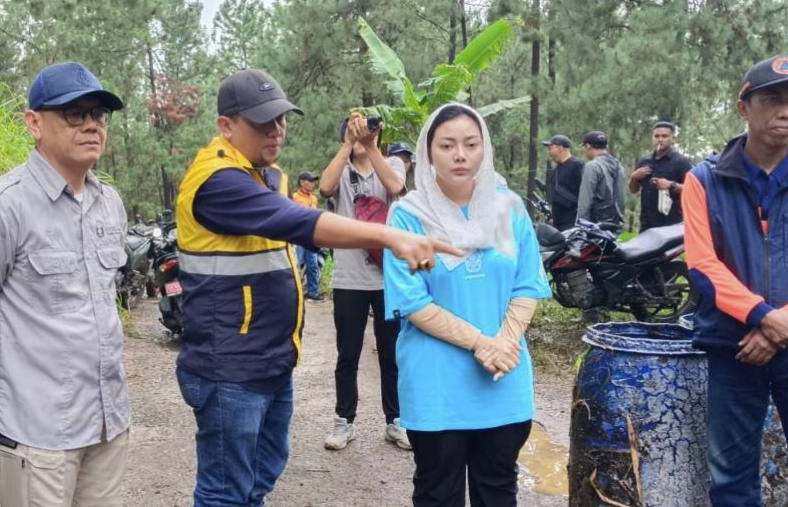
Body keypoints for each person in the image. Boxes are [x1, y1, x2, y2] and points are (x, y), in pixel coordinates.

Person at [175, 68, 460, 506]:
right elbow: (302, 222)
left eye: (281, 120)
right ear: (226, 126)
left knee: (260, 474)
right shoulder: (217, 180)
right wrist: (388, 235)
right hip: (227, 367)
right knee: (225, 491)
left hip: (269, 359)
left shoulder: (266, 175)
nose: (276, 132)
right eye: (261, 123)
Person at [681, 55, 788, 505]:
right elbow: (702, 263)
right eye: (773, 100)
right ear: (744, 107)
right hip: (733, 348)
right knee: (731, 483)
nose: (787, 112)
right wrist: (759, 315)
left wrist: (784, 325)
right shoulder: (704, 180)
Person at [0, 62, 130, 506]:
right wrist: (27, 375)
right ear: (34, 122)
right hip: (35, 432)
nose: (92, 124)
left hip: (107, 423)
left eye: (99, 114)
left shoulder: (108, 203)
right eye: (75, 113)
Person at [383, 103, 552, 507]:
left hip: (502, 380)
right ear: (429, 152)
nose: (460, 154)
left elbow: (527, 284)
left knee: (498, 491)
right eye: (447, 145)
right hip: (437, 384)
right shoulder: (410, 217)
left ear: (484, 149)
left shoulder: (508, 209)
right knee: (437, 493)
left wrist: (502, 343)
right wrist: (482, 343)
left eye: (470, 144)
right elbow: (414, 301)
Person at [318, 113, 411, 451]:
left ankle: (396, 420)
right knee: (348, 353)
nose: (359, 135)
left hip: (388, 279)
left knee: (392, 353)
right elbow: (325, 187)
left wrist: (372, 146)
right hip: (348, 278)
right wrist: (348, 144)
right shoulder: (341, 171)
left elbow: (395, 188)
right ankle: (344, 421)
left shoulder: (393, 164)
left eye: (365, 130)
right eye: (351, 131)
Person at [628, 121, 693, 231]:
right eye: (656, 136)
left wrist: (671, 185)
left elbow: (693, 190)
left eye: (665, 136)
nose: (660, 139)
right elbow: (633, 190)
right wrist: (634, 177)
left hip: (671, 225)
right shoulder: (645, 161)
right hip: (646, 223)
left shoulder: (681, 162)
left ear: (673, 139)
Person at [576, 131, 626, 233]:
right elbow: (621, 198)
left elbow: (585, 202)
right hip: (615, 225)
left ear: (588, 146)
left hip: (595, 226)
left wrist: (580, 226)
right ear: (606, 146)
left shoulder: (592, 166)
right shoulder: (619, 166)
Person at [292, 170, 323, 301]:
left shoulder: (314, 198)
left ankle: (313, 292)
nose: (313, 184)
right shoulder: (294, 197)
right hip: (298, 237)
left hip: (310, 237)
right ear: (302, 182)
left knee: (313, 264)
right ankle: (295, 292)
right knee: (296, 264)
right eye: (310, 181)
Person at [542, 134, 583, 230]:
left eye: (550, 148)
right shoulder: (554, 172)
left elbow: (585, 192)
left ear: (560, 148)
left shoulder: (576, 165)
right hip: (558, 224)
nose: (549, 152)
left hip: (574, 223)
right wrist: (553, 217)